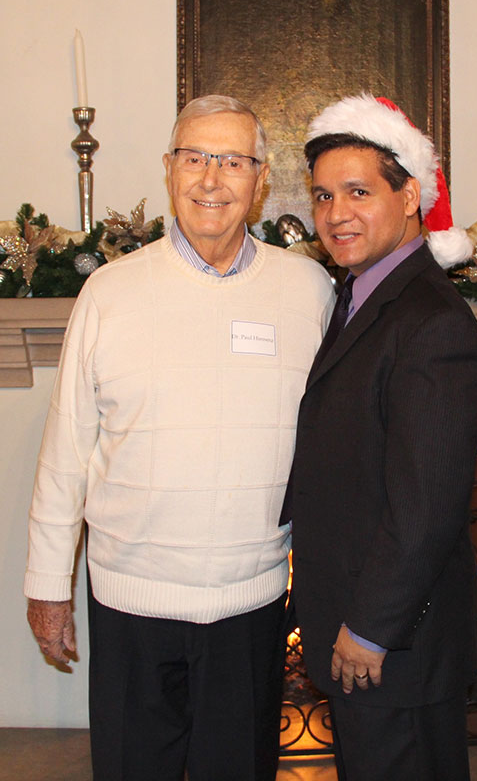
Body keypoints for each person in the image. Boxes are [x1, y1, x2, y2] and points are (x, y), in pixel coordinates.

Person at [23, 95, 332, 780]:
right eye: (194, 158)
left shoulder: (308, 290)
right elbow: (66, 451)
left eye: (231, 161)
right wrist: (48, 585)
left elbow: (333, 449)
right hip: (131, 601)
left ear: (258, 183)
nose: (210, 178)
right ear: (169, 170)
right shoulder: (108, 292)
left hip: (250, 603)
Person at [282, 94, 477, 778]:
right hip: (365, 622)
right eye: (322, 195)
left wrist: (371, 627)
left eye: (357, 191)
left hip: (391, 640)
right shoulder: (359, 296)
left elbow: (425, 502)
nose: (336, 212)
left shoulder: (429, 320)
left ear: (409, 196)